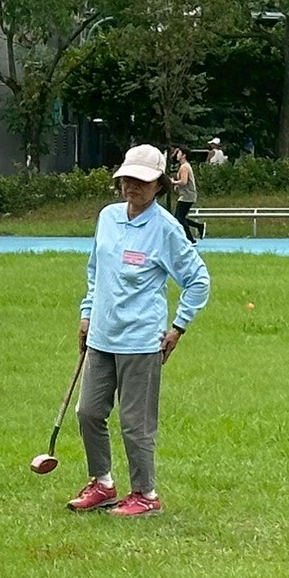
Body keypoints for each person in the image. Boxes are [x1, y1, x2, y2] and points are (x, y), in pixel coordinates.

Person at [68, 144, 213, 517]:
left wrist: (179, 326)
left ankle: (145, 494)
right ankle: (102, 483)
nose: (131, 186)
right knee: (88, 413)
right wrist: (87, 314)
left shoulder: (166, 229)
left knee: (135, 423)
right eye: (127, 178)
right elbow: (95, 271)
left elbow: (198, 279)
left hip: (140, 341)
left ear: (160, 186)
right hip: (101, 336)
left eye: (142, 181)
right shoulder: (108, 217)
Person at [168, 145, 203, 238]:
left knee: (179, 218)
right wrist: (177, 186)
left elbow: (183, 181)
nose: (177, 155)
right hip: (187, 195)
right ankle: (199, 226)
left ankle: (190, 239)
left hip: (187, 196)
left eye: (178, 153)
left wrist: (173, 182)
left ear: (184, 155)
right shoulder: (185, 166)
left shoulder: (184, 167)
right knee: (179, 217)